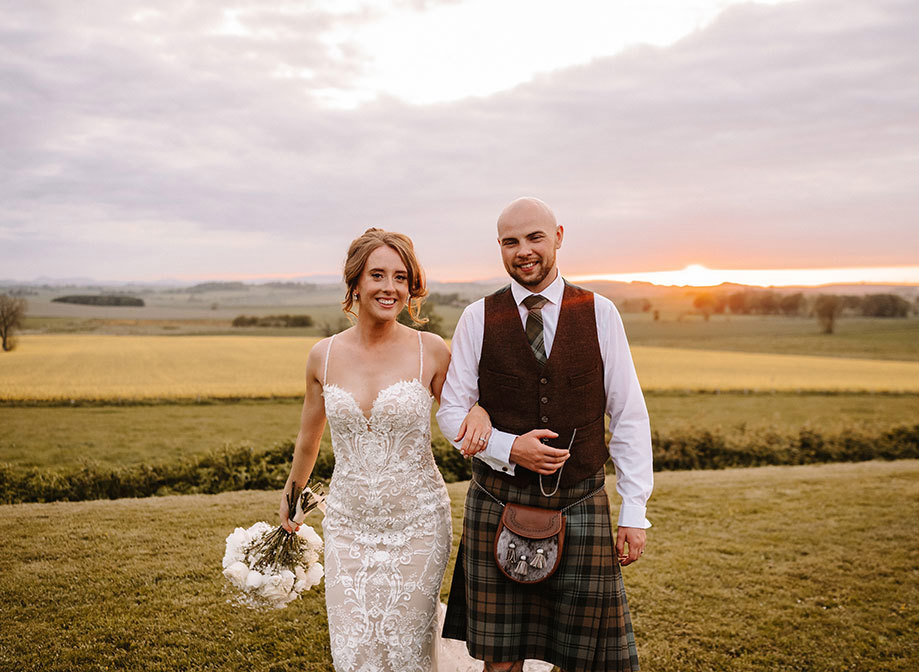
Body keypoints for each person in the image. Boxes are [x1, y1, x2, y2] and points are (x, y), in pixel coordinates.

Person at [438, 197, 653, 672]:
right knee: (500, 657)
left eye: (534, 237)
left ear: (558, 236)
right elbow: (452, 412)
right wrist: (509, 447)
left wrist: (634, 512)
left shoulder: (601, 313)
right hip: (497, 503)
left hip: (580, 504)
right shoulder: (478, 317)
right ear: (499, 247)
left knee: (581, 657)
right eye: (510, 242)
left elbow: (629, 416)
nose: (524, 251)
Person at [279, 228, 490, 672]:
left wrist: (481, 414)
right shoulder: (323, 355)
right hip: (348, 525)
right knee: (354, 652)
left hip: (418, 524)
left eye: (400, 277)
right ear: (355, 282)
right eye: (378, 275)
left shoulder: (430, 351)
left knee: (407, 650)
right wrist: (291, 497)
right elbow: (308, 438)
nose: (390, 287)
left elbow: (460, 414)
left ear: (411, 286)